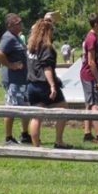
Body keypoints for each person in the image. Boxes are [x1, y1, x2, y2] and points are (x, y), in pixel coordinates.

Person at [26, 17, 71, 149]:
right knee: (63, 109)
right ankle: (59, 141)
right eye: (52, 30)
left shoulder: (31, 47)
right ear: (47, 32)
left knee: (36, 116)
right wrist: (52, 85)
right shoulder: (47, 48)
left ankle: (36, 147)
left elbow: (34, 27)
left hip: (31, 86)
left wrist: (42, 23)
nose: (53, 32)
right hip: (44, 85)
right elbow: (47, 68)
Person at [0, 13, 31, 145]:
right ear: (10, 25)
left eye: (21, 22)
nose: (21, 24)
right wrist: (10, 65)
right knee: (11, 108)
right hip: (13, 81)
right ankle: (8, 138)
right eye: (18, 23)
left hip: (22, 80)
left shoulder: (16, 37)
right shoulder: (8, 37)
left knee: (26, 108)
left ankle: (25, 135)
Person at [81, 12, 98, 143]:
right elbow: (90, 62)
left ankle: (87, 135)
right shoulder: (92, 38)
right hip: (90, 75)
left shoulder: (93, 37)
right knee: (95, 106)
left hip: (87, 74)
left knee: (89, 105)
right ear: (96, 24)